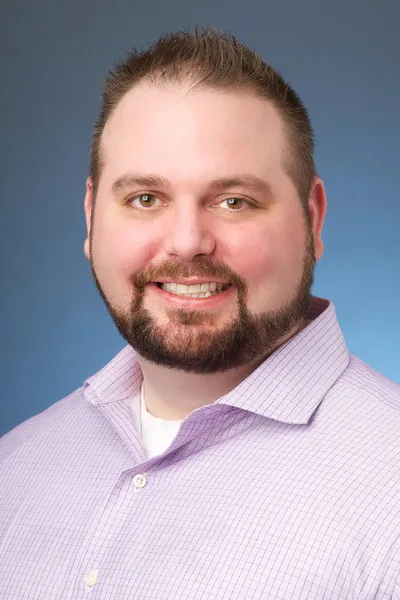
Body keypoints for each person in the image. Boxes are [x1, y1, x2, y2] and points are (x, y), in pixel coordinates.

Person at [1, 27, 399, 600]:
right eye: (145, 199)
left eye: (234, 201)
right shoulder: (15, 468)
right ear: (91, 217)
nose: (187, 242)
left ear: (311, 220)